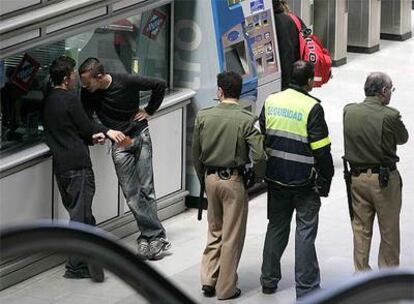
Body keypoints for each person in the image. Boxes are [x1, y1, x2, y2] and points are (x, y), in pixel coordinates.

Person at [78, 57, 170, 260]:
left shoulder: (125, 81)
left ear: (99, 77)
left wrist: (149, 110)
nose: (84, 85)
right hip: (120, 144)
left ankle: (150, 237)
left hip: (140, 135)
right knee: (131, 193)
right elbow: (85, 120)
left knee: (147, 189)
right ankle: (153, 235)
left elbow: (159, 84)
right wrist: (106, 130)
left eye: (87, 81)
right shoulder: (88, 93)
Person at [259, 60, 334, 298]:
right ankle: (307, 287)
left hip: (275, 178)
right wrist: (327, 177)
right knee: (305, 232)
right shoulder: (312, 107)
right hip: (304, 182)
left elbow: (264, 132)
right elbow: (321, 150)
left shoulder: (271, 101)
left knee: (276, 227)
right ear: (310, 81)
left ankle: (269, 280)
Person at [42, 56, 119, 281]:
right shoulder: (70, 99)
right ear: (66, 79)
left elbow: (68, 130)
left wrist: (89, 136)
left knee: (82, 214)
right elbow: (85, 126)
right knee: (80, 218)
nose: (76, 77)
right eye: (74, 73)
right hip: (78, 166)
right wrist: (102, 132)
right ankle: (75, 266)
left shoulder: (48, 100)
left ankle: (90, 261)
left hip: (61, 167)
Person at [192, 71, 265, 300]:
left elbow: (196, 153)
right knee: (232, 235)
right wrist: (258, 177)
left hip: (210, 178)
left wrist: (203, 176)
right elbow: (260, 155)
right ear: (239, 91)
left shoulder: (204, 116)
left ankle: (208, 279)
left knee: (214, 229)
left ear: (220, 91)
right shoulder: (245, 119)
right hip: (233, 180)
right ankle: (226, 289)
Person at [343, 72, 408, 272]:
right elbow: (403, 138)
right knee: (388, 231)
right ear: (383, 91)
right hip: (384, 181)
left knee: (361, 230)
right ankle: (386, 280)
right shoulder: (389, 115)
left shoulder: (349, 111)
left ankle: (361, 274)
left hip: (356, 179)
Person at [272, 0, 300, 89]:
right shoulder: (290, 19)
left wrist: (285, 84)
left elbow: (286, 54)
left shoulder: (275, 22)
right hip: (295, 74)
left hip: (285, 79)